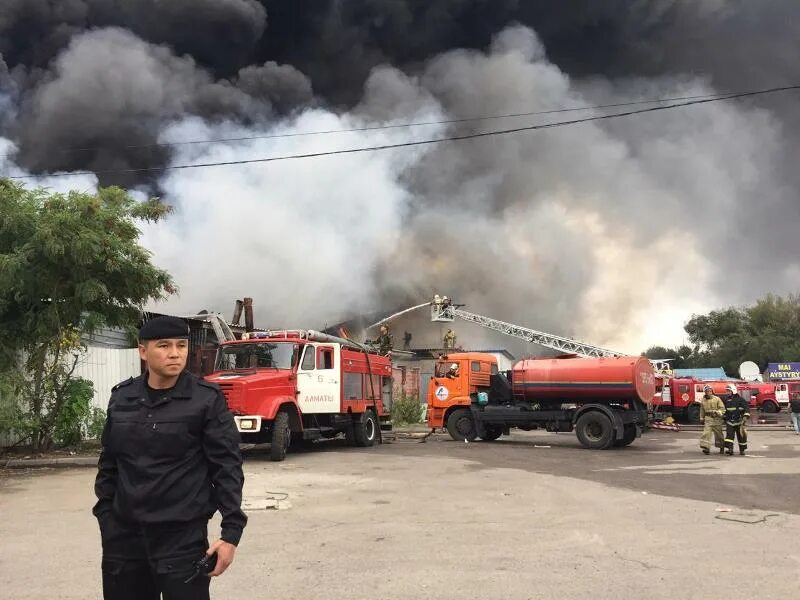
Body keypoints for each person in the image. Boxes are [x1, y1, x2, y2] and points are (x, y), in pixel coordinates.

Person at [93, 316, 247, 600]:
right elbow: (110, 465)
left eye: (181, 345)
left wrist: (230, 534)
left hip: (182, 539)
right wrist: (107, 518)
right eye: (164, 346)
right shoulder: (123, 398)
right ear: (143, 351)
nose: (175, 353)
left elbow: (227, 468)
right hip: (125, 542)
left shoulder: (205, 400)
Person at [723, 383, 749, 455]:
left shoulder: (740, 399)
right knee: (729, 435)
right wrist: (724, 417)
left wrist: (745, 416)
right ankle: (730, 449)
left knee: (741, 436)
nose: (727, 392)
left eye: (728, 391)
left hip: (739, 421)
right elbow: (724, 410)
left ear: (733, 391)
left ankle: (742, 450)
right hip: (729, 421)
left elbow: (747, 408)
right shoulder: (726, 400)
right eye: (727, 391)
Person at [699, 384, 726, 455]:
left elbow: (722, 408)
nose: (708, 392)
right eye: (707, 391)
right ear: (705, 392)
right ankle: (706, 448)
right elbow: (702, 410)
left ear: (712, 391)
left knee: (719, 435)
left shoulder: (717, 399)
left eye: (710, 391)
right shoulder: (703, 400)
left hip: (717, 419)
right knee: (706, 433)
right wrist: (701, 418)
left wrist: (717, 412)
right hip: (708, 419)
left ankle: (721, 447)